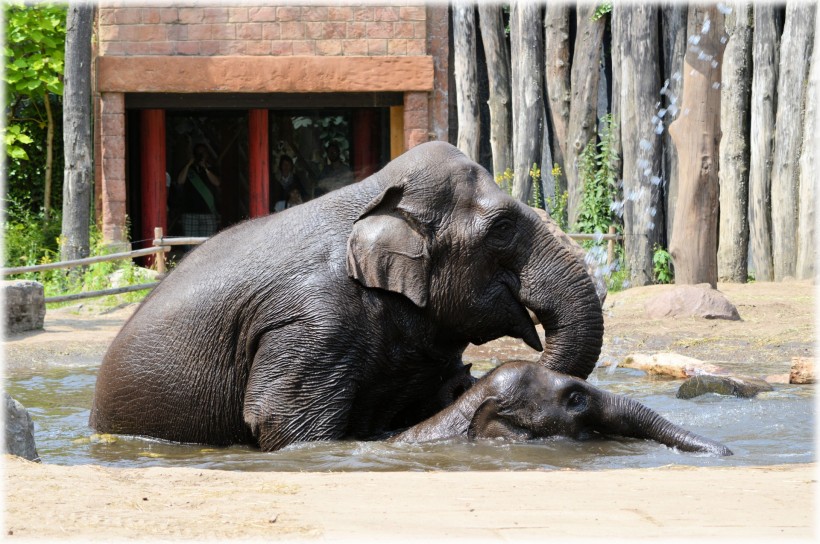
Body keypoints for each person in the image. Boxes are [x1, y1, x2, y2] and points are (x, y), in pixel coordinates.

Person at [176, 143, 221, 237]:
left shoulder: (212, 168)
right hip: (189, 213)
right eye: (198, 153)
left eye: (203, 153)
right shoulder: (188, 169)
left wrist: (206, 168)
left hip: (208, 213)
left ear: (207, 154)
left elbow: (217, 183)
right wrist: (188, 164)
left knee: (208, 245)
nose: (200, 156)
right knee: (190, 247)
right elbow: (180, 181)